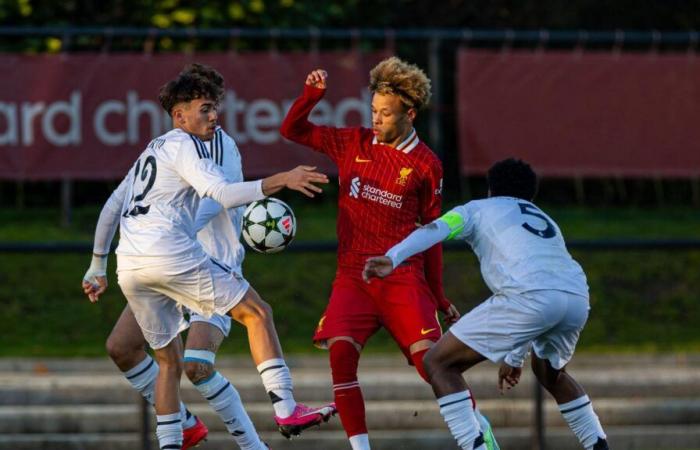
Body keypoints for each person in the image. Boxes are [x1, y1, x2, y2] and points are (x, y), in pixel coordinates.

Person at [82, 69, 331, 450]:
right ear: (180, 115)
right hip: (180, 258)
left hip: (136, 262)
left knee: (180, 364)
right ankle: (286, 408)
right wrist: (280, 179)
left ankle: (184, 435)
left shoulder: (171, 146)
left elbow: (115, 205)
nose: (214, 116)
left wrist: (98, 265)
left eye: (215, 108)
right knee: (257, 314)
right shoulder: (188, 145)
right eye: (205, 108)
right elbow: (221, 193)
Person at [279, 57, 497, 450]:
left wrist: (439, 296)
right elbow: (292, 129)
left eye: (385, 113)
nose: (376, 119)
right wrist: (311, 96)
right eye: (373, 110)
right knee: (341, 357)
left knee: (432, 365)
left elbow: (431, 235)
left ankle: (480, 432)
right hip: (352, 276)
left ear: (409, 113)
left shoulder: (426, 165)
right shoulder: (353, 143)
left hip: (402, 277)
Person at [363, 158, 610, 450]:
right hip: (576, 297)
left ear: (491, 189)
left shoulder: (477, 209)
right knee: (551, 374)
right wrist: (514, 358)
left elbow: (436, 230)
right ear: (530, 195)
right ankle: (599, 446)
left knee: (438, 363)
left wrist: (392, 257)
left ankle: (476, 446)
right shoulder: (545, 218)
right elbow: (541, 294)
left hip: (530, 296)